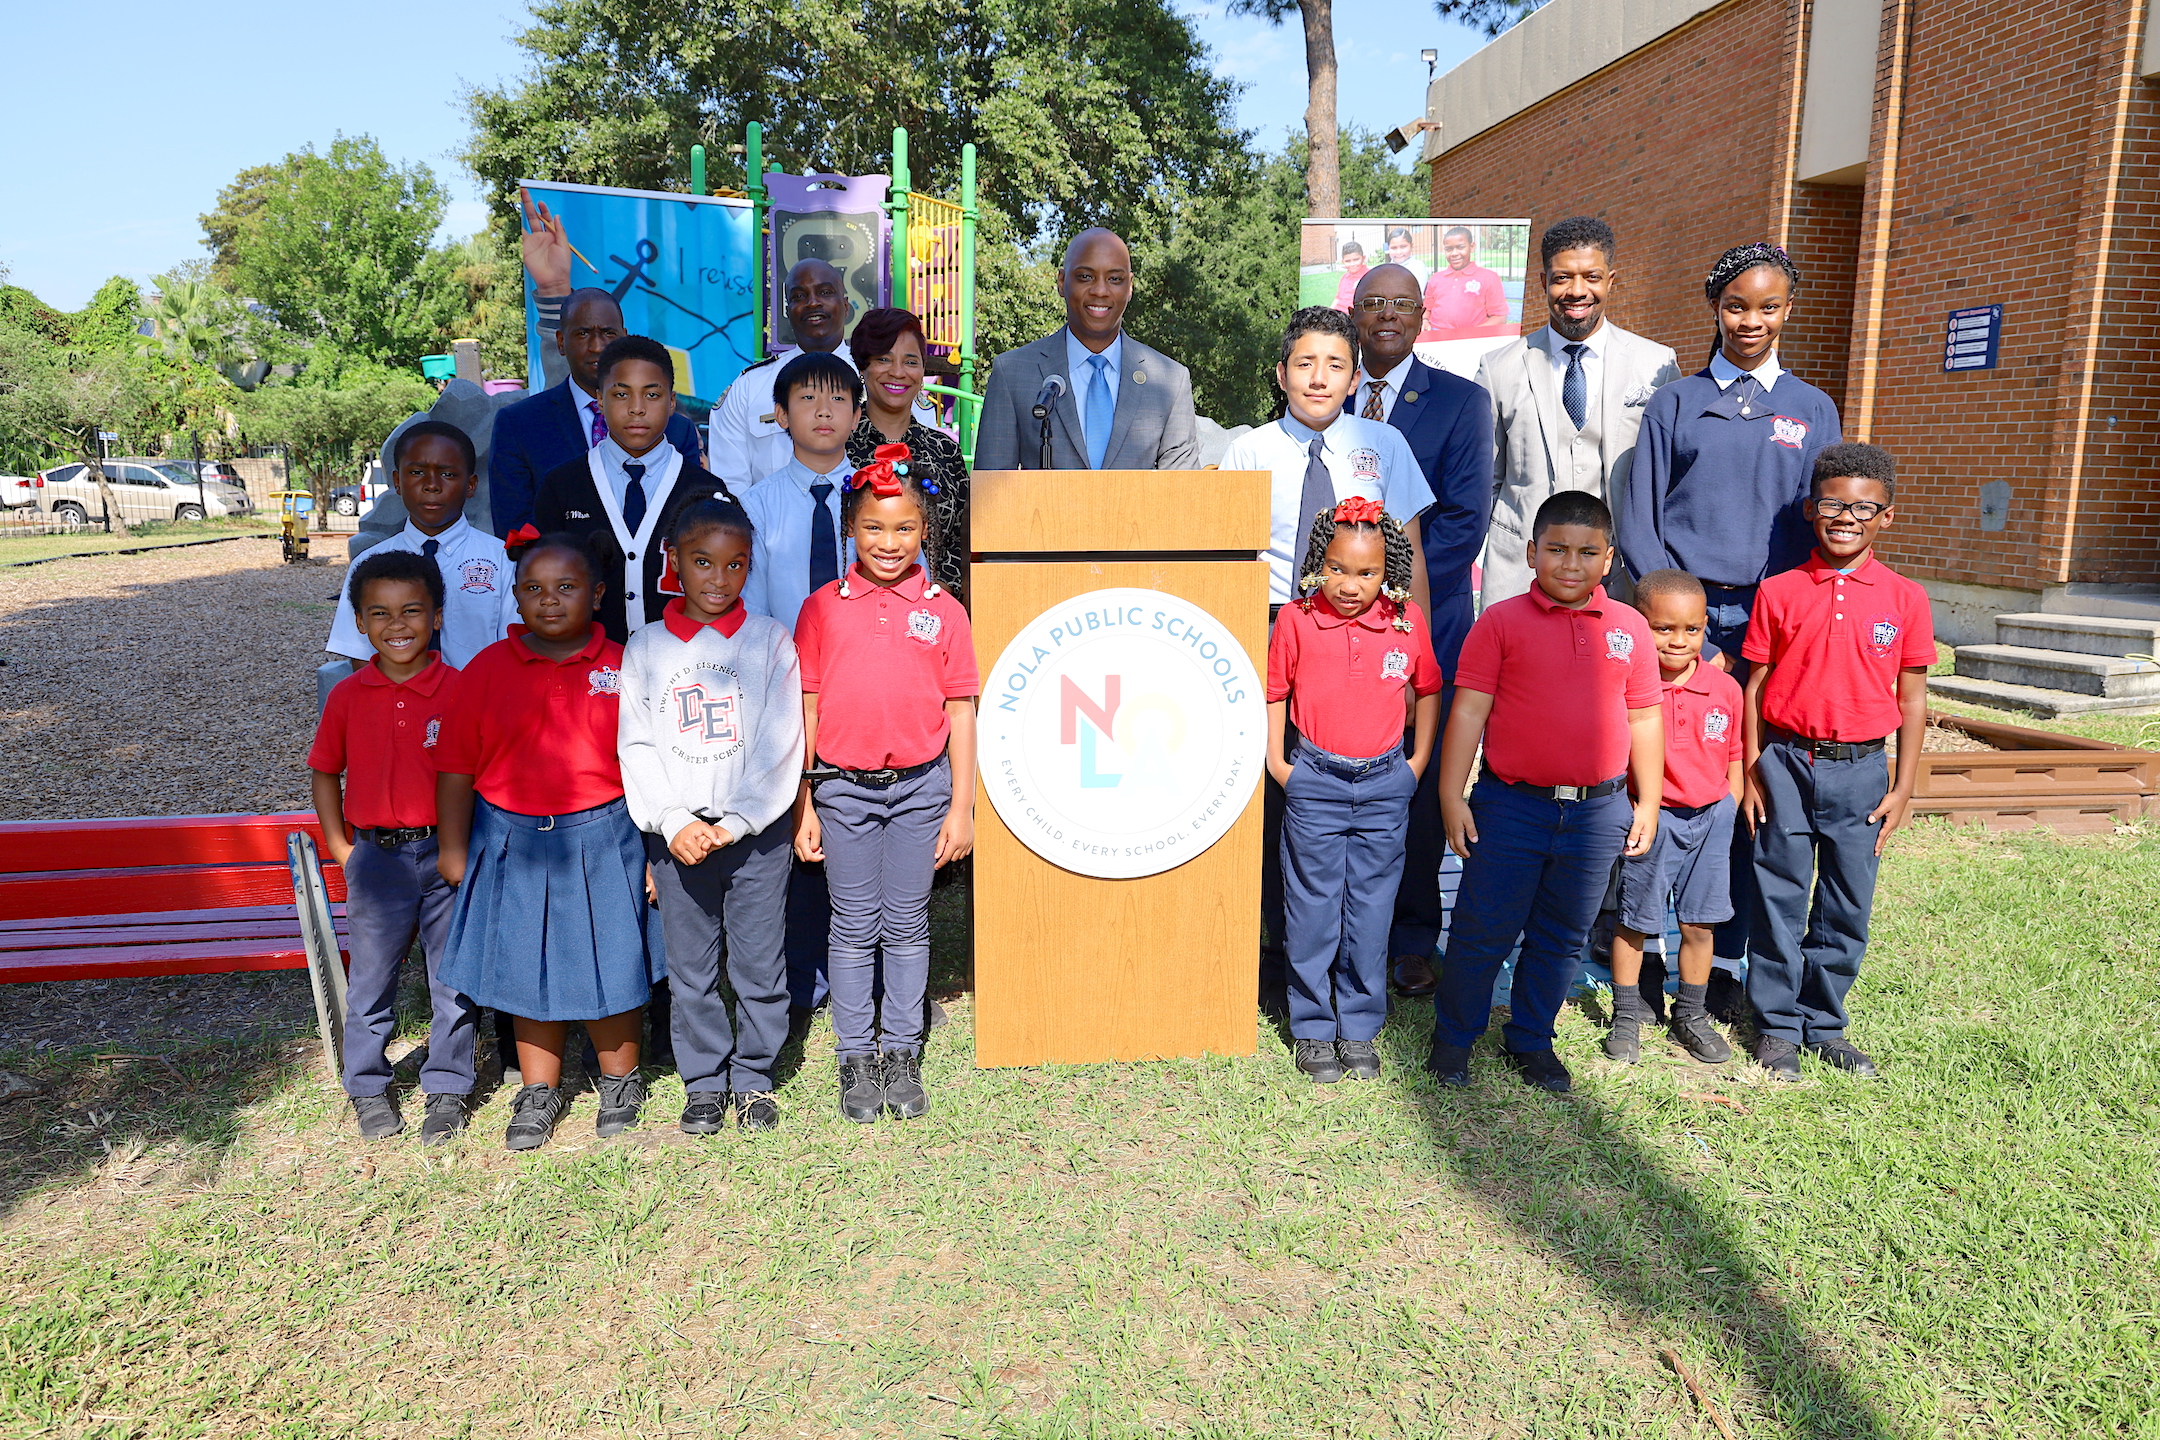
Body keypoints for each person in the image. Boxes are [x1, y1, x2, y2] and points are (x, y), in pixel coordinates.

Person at [1618, 243, 1844, 994]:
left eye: (1769, 305)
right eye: (1737, 305)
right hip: (1677, 625)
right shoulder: (1678, 402)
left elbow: (1820, 519)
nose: (1752, 320)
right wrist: (1679, 628)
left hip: (1769, 625)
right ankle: (1635, 947)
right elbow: (1640, 515)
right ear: (1715, 307)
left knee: (1746, 782)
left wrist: (1775, 628)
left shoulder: (1812, 409)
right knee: (1656, 775)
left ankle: (1721, 956)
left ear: (1788, 309)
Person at [1220, 306, 1433, 1019]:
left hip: (1366, 637)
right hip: (1276, 627)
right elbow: (1228, 558)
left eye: (1335, 364)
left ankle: (1357, 964)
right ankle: (1279, 958)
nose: (1319, 377)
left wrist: (1410, 651)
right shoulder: (1248, 450)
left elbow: (1408, 552)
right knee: (1281, 802)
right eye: (1305, 363)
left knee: (1355, 810)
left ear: (1354, 377)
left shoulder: (1384, 444)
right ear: (1281, 374)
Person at [1427, 492, 1663, 1095]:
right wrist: (1452, 796)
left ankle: (1531, 1039)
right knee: (1484, 928)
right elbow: (1468, 714)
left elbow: (1643, 718)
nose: (1570, 564)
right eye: (1556, 550)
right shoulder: (1501, 623)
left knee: (1562, 934)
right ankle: (1454, 1040)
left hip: (1598, 811)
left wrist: (1650, 800)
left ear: (1608, 559)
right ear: (1531, 553)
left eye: (1587, 552)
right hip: (1511, 806)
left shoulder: (1629, 628)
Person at [433, 534, 663, 1151]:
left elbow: (653, 764)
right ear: (514, 598)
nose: (550, 601)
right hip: (510, 837)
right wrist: (454, 848)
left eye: (566, 588)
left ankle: (620, 1078)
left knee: (612, 959)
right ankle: (540, 1087)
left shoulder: (625, 664)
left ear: (597, 593)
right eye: (534, 590)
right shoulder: (485, 670)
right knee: (525, 965)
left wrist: (654, 851)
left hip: (605, 833)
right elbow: (455, 766)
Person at [792, 447, 977, 1123]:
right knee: (852, 925)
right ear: (851, 529)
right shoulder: (822, 609)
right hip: (842, 790)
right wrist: (804, 803)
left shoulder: (945, 610)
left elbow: (960, 710)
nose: (889, 542)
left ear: (924, 530)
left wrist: (962, 806)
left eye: (903, 529)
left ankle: (900, 1050)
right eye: (874, 527)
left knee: (905, 924)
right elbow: (806, 708)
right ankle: (854, 1055)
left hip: (921, 791)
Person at [1739, 443, 1931, 1082]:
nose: (1846, 518)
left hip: (1862, 773)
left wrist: (1903, 787)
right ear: (1809, 510)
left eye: (1863, 508)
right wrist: (1750, 768)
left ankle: (1823, 1023)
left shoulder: (1905, 599)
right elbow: (1755, 688)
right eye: (1832, 504)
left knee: (1847, 904)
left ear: (1887, 517)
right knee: (1780, 897)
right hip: (1787, 765)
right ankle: (1775, 1027)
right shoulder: (1780, 590)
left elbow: (1912, 697)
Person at [619, 498, 805, 1134]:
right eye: (702, 562)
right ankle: (704, 1081)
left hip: (753, 838)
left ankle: (753, 1077)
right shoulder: (645, 647)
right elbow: (636, 744)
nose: (719, 579)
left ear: (750, 568)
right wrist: (674, 822)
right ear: (673, 562)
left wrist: (739, 822)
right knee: (690, 969)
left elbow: (785, 742)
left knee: (758, 963)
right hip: (680, 841)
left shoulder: (772, 641)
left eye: (735, 565)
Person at [1342, 262, 1495, 1000]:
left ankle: (1409, 939)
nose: (1387, 316)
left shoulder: (1461, 403)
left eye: (1401, 304)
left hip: (1423, 622)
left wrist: (1383, 595)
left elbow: (1464, 521)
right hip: (1328, 622)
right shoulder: (1322, 389)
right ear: (1355, 311)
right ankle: (1333, 927)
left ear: (1423, 314)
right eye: (1373, 303)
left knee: (1416, 775)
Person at [1267, 497, 1443, 1083]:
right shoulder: (1296, 618)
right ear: (1320, 562)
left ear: (1387, 572)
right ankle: (1314, 1026)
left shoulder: (1406, 620)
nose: (1350, 585)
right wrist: (1279, 762)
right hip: (1315, 779)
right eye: (1339, 569)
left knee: (1370, 909)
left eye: (1367, 573)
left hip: (1385, 784)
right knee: (1313, 907)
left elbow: (1429, 687)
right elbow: (1275, 693)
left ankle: (1360, 1025)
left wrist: (1416, 763)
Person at [309, 549, 477, 1144]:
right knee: (372, 980)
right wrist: (341, 847)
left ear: (437, 616)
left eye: (412, 610)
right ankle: (369, 1087)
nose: (396, 624)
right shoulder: (349, 696)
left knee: (451, 979)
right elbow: (325, 772)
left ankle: (449, 1087)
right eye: (379, 613)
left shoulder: (461, 691)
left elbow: (476, 778)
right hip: (376, 860)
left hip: (445, 856)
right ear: (359, 622)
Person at [740, 350, 862, 1022]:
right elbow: (753, 614)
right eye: (807, 400)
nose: (823, 411)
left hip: (866, 693)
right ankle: (799, 982)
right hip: (787, 695)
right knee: (795, 835)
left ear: (856, 413)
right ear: (780, 416)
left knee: (858, 831)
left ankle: (861, 976)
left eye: (838, 399)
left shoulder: (880, 500)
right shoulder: (755, 507)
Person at [1475, 216, 1681, 607]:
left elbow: (1667, 480)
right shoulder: (1498, 367)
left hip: (1620, 575)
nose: (1577, 291)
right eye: (1562, 278)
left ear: (1611, 280)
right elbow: (1487, 480)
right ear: (1543, 282)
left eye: (1591, 277)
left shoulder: (1657, 364)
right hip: (1521, 572)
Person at [1603, 568, 1745, 1066]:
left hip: (1711, 820)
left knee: (1699, 925)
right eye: (1663, 629)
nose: (1679, 641)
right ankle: (1626, 1017)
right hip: (1653, 819)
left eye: (1691, 629)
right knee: (1635, 922)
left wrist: (1728, 802)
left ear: (1705, 626)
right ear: (1639, 625)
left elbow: (1733, 753)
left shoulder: (1725, 689)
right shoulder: (1626, 688)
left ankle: (1691, 1014)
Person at [532, 337, 741, 644]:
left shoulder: (705, 490)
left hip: (682, 670)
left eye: (652, 394)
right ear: (600, 401)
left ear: (672, 402)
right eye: (621, 394)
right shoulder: (562, 485)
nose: (637, 409)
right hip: (586, 669)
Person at [488, 282, 704, 538]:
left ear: (623, 337)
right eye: (583, 333)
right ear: (560, 341)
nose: (597, 346)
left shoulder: (678, 430)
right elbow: (516, 530)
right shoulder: (519, 425)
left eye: (608, 333)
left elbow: (693, 524)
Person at [973, 228, 1198, 471]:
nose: (1100, 291)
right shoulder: (1013, 373)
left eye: (1115, 279)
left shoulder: (1171, 382)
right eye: (1085, 277)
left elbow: (1182, 499)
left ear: (1130, 286)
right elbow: (991, 494)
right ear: (1061, 282)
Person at [326, 422, 516, 672]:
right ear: (397, 481)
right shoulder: (369, 564)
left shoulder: (503, 560)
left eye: (448, 474)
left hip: (480, 706)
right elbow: (361, 655)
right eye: (417, 472)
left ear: (471, 485)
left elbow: (513, 650)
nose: (432, 485)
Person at [847, 307, 969, 596]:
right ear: (863, 367)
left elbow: (963, 539)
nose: (898, 372)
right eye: (884, 359)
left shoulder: (945, 450)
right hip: (850, 611)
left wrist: (943, 591)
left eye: (910, 361)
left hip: (935, 611)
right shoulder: (838, 447)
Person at [708, 259, 857, 489]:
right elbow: (730, 488)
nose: (812, 302)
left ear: (846, 306)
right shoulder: (749, 387)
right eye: (799, 296)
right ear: (787, 312)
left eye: (825, 292)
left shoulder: (877, 380)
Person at [1421, 226, 1509, 336]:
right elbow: (1427, 309)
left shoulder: (1489, 277)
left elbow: (1500, 317)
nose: (1454, 253)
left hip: (1472, 339)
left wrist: (1470, 335)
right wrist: (1424, 321)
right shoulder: (1436, 278)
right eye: (1449, 249)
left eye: (1460, 247)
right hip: (1436, 336)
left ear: (1472, 247)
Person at [1329, 239, 1370, 313]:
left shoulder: (1369, 276)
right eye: (1348, 261)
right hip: (1338, 315)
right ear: (1343, 262)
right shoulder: (1344, 277)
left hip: (1355, 317)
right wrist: (1328, 312)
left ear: (1363, 258)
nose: (1352, 264)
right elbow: (1338, 298)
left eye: (1356, 259)